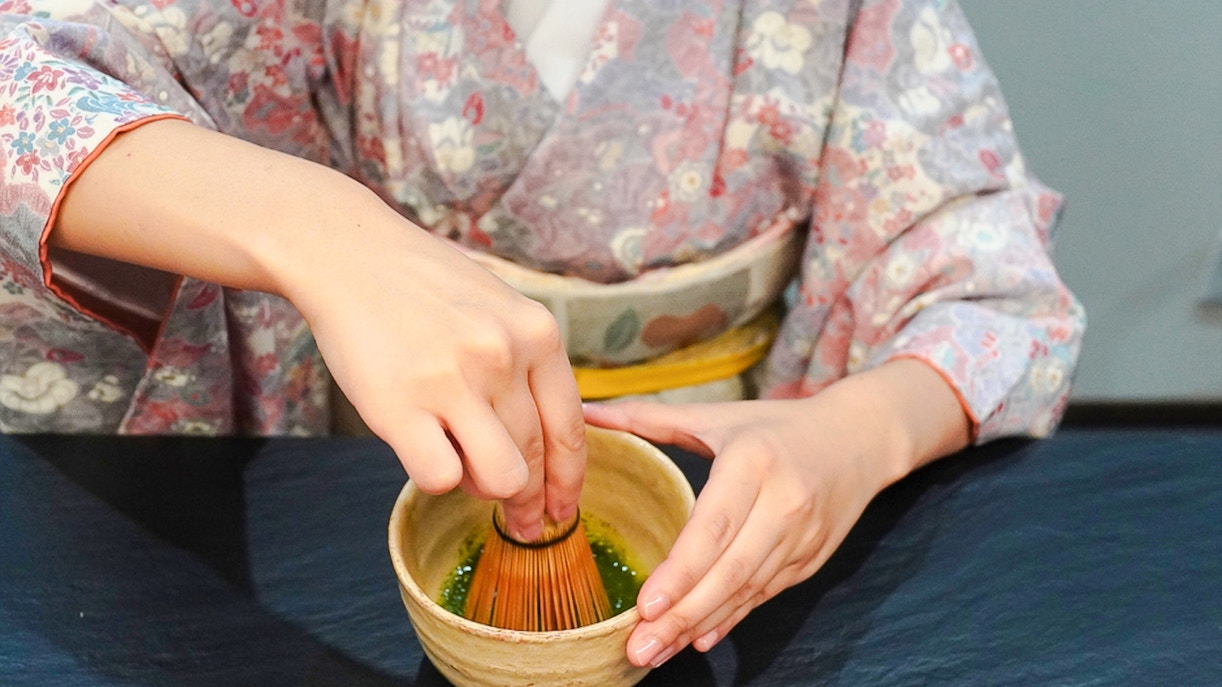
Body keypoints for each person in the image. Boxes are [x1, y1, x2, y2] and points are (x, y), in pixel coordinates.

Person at [0, 0, 1084, 669]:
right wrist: (319, 232)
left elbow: (989, 285)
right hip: (378, 479)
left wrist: (854, 437)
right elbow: (23, 82)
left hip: (717, 515)